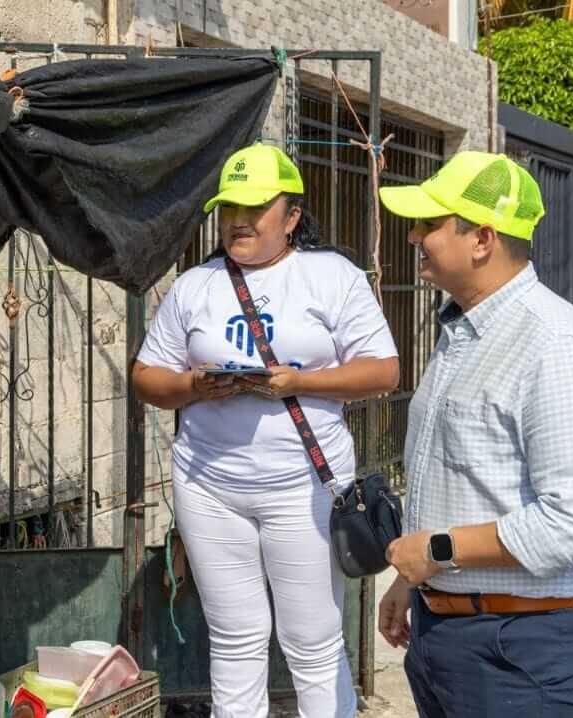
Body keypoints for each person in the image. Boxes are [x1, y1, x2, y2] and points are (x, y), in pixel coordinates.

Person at [132, 144, 399, 717]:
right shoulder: (195, 286)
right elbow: (147, 377)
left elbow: (383, 369)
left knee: (312, 640)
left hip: (301, 489)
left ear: (292, 217)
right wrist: (195, 386)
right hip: (208, 488)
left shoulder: (330, 276)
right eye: (229, 207)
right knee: (234, 637)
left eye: (255, 207)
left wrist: (300, 381)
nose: (239, 220)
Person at [376, 152, 573, 717]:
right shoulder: (465, 332)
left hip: (525, 648)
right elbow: (465, 482)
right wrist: (413, 585)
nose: (414, 237)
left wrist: (437, 551)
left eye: (429, 225)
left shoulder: (555, 346)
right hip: (456, 634)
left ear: (482, 239)